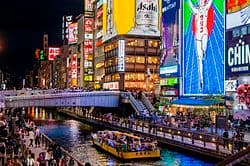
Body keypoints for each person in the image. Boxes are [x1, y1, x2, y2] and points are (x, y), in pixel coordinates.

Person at [188, 0, 213, 91]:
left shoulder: (206, 8)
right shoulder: (196, 10)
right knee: (199, 58)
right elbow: (190, 5)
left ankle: (204, 51)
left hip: (204, 34)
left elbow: (210, 2)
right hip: (197, 36)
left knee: (204, 47)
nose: (200, 2)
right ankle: (201, 80)